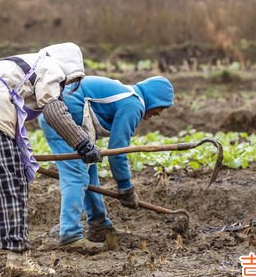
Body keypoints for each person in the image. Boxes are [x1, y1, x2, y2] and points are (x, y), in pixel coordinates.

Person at [0, 42, 101, 277]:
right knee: (11, 185)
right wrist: (83, 143)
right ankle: (18, 260)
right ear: (69, 69)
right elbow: (54, 111)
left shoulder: (24, 61)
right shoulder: (51, 67)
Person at [38, 75, 174, 253]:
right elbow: (118, 151)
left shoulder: (127, 94)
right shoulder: (133, 104)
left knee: (89, 167)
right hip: (63, 119)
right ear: (154, 98)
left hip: (64, 116)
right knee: (76, 176)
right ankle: (70, 235)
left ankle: (99, 224)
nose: (158, 113)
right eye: (161, 107)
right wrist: (125, 188)